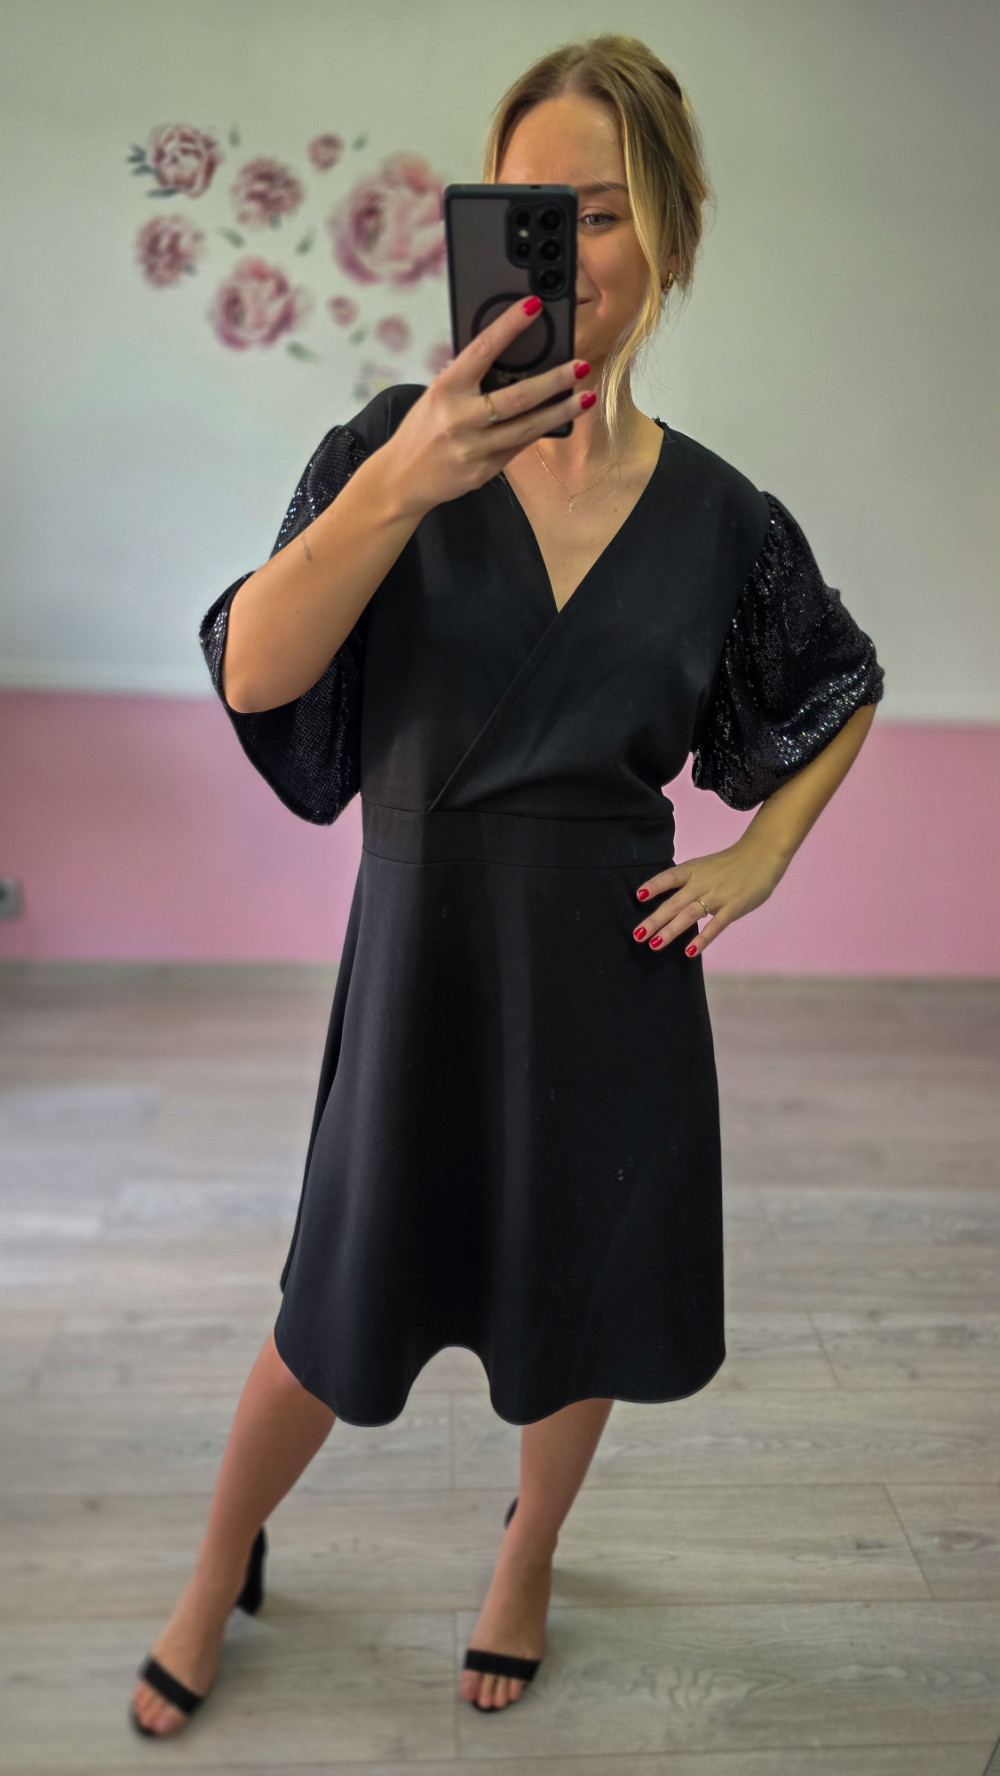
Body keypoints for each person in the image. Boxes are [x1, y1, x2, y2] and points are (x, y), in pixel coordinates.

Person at [130, 32, 885, 1735]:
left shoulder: (725, 521)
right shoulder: (387, 445)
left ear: (671, 236)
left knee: (576, 1305)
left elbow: (838, 689)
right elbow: (255, 670)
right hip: (423, 959)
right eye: (529, 211)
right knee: (330, 1315)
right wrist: (409, 475)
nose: (568, 250)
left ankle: (528, 1553)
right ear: (479, 233)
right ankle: (218, 1558)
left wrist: (761, 854)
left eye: (601, 213)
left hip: (607, 973)